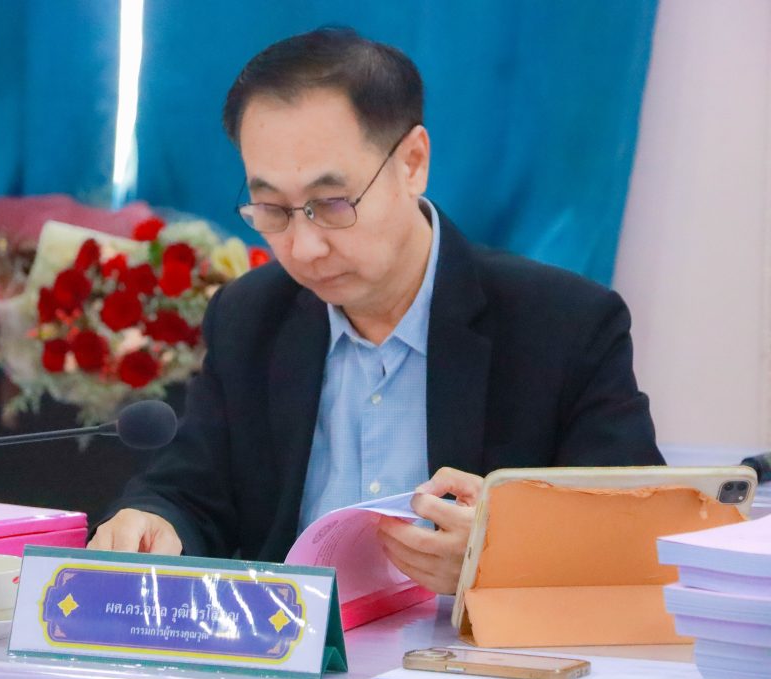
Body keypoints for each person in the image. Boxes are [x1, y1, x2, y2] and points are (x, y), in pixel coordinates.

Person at [89, 27, 664, 595]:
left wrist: (500, 559)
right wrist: (155, 520)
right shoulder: (250, 316)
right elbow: (192, 491)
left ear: (412, 162)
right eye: (271, 209)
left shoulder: (562, 325)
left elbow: (638, 537)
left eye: (331, 204)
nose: (304, 248)